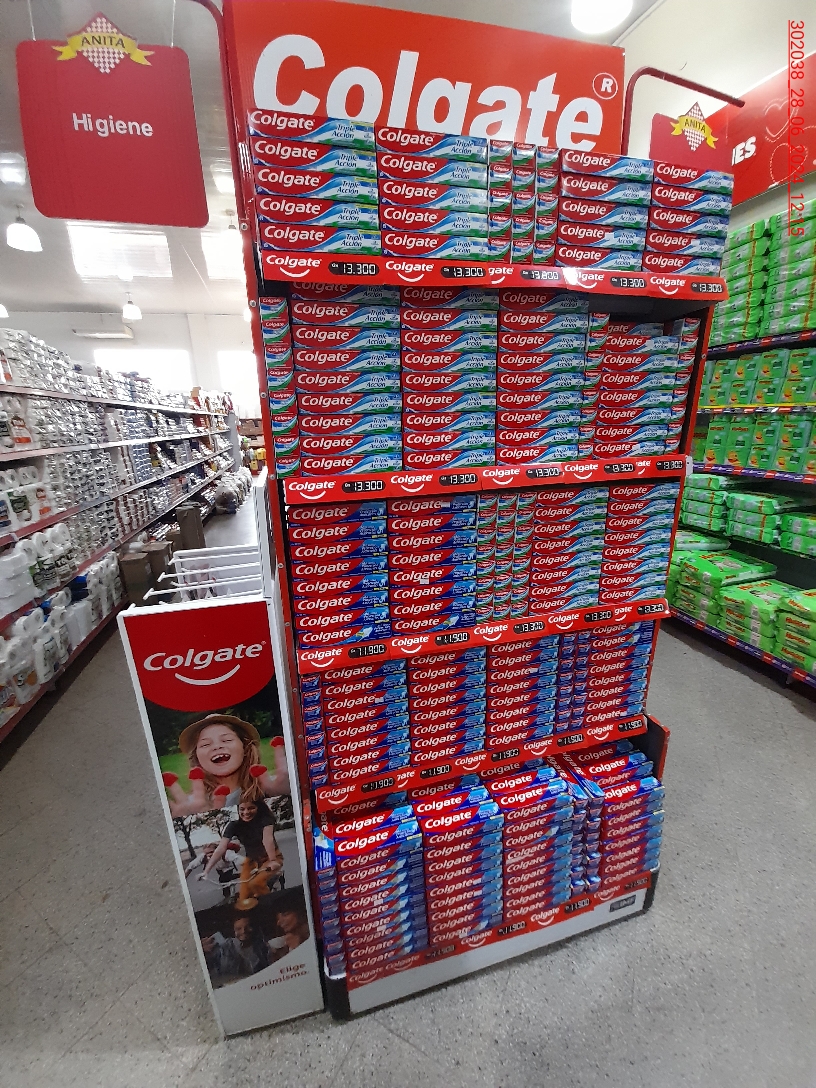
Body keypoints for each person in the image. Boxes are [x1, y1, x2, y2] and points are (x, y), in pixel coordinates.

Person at [161, 715, 290, 817]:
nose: (217, 746)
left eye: (227, 740)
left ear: (245, 748)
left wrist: (288, 795)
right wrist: (189, 819)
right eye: (205, 744)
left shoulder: (277, 786)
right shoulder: (191, 805)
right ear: (197, 758)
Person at [202, 794, 283, 910]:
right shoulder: (234, 825)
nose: (246, 812)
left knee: (256, 884)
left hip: (270, 857)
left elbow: (267, 839)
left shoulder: (265, 820)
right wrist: (206, 871)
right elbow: (221, 848)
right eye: (242, 809)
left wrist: (273, 860)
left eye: (251, 808)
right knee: (243, 897)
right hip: (251, 862)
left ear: (258, 808)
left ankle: (273, 909)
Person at [201, 916, 270, 980]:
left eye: (247, 927)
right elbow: (206, 966)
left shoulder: (261, 947)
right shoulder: (224, 947)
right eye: (238, 929)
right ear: (234, 931)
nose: (243, 931)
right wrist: (201, 953)